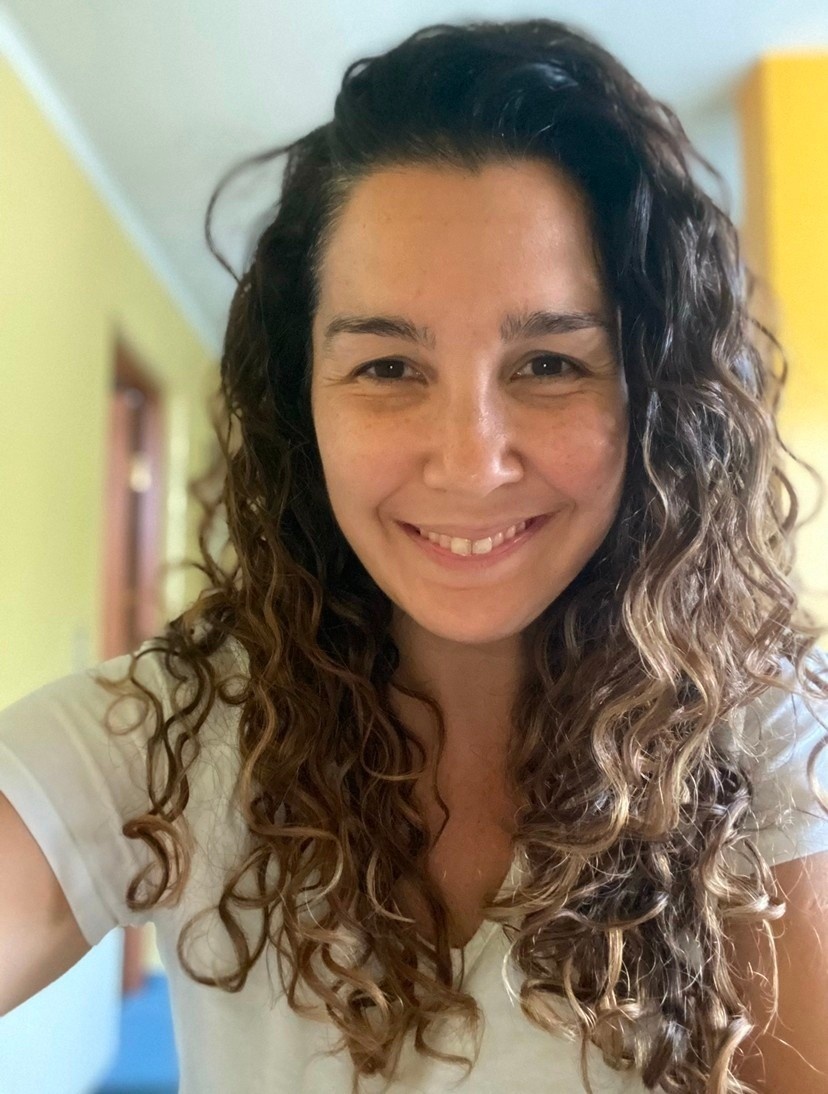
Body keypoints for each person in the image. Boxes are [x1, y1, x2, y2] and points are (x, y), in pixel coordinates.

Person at [1, 17, 827, 1094]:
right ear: (301, 404)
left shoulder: (764, 739)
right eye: (388, 367)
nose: (471, 462)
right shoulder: (178, 730)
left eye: (549, 362)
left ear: (653, 400)